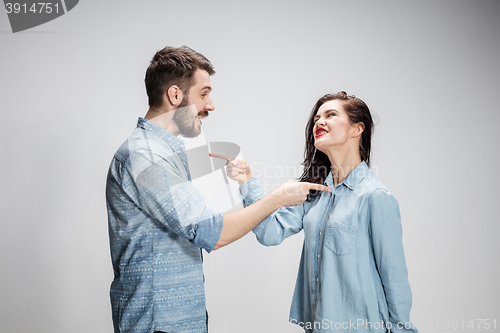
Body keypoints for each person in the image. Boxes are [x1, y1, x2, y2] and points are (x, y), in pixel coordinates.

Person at [105, 45, 331, 333]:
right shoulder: (146, 156)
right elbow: (213, 233)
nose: (210, 105)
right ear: (175, 95)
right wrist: (277, 198)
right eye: (203, 93)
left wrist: (248, 182)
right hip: (158, 323)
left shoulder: (164, 153)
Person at [218, 91, 418, 332]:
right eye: (316, 118)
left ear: (357, 129)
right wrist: (245, 180)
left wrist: (402, 329)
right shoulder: (314, 192)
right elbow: (269, 233)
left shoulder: (375, 197)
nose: (319, 121)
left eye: (331, 115)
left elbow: (394, 278)